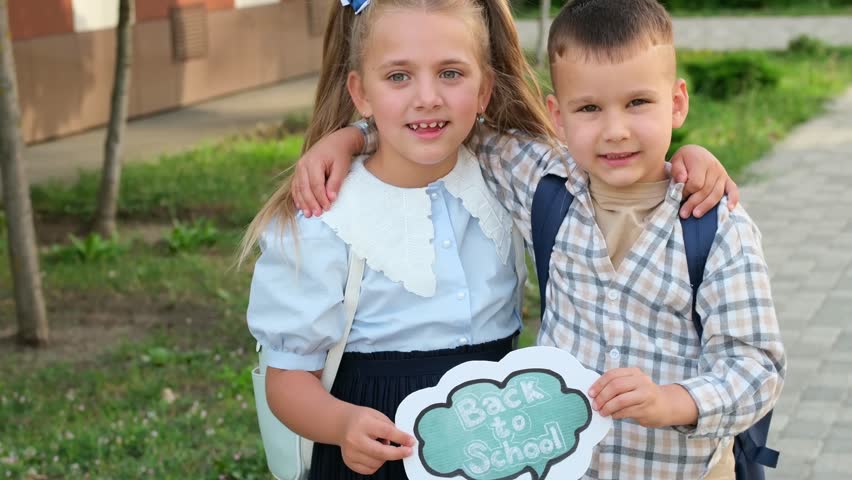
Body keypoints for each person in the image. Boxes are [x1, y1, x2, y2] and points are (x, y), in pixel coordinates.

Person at [290, 0, 785, 478]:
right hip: (557, 469)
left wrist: (671, 401)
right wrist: (352, 138)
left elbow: (756, 367)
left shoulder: (715, 226)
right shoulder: (542, 183)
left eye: (638, 103)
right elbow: (438, 126)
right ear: (556, 114)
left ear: (676, 103)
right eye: (589, 108)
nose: (615, 131)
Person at [240, 1, 555, 478]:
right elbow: (287, 378)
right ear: (360, 92)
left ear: (485, 88)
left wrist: (690, 162)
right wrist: (341, 423)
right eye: (398, 77)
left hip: (497, 444)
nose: (427, 97)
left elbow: (608, 164)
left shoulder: (504, 177)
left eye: (451, 73)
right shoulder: (327, 217)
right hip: (377, 451)